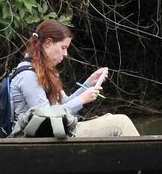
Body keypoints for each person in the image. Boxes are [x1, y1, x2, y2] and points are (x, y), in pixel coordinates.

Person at [10, 19, 139, 137]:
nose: (65, 54)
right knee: (120, 123)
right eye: (63, 47)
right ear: (48, 43)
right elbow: (47, 118)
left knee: (111, 118)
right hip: (41, 138)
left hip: (54, 133)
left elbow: (64, 104)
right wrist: (82, 100)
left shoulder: (45, 71)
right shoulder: (28, 75)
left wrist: (88, 83)